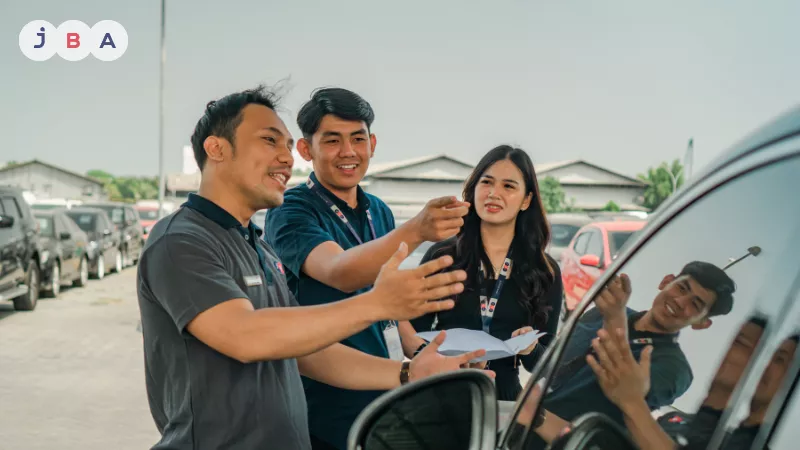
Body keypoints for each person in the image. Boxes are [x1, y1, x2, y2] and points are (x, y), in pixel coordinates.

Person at [137, 85, 489, 450]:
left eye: (287, 146)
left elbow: (306, 353)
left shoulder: (255, 244)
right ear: (217, 148)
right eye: (270, 141)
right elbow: (245, 335)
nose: (286, 158)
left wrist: (409, 372)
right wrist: (377, 303)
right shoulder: (181, 239)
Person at [263, 87, 473, 450]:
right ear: (304, 149)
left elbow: (386, 295)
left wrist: (426, 352)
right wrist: (417, 230)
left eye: (357, 139)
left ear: (372, 144)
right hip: (325, 402)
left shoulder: (379, 210)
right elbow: (339, 271)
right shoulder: (291, 209)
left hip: (385, 392)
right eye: (332, 141)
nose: (348, 152)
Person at [408, 145, 563, 401]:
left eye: (508, 186)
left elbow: (547, 365)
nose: (494, 193)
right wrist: (439, 358)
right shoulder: (442, 257)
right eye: (487, 182)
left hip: (505, 401)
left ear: (526, 200)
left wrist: (531, 349)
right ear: (474, 190)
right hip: (440, 394)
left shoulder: (544, 270)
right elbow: (413, 334)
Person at [527, 262, 737, 448]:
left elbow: (624, 388)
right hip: (517, 427)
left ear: (702, 323)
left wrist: (614, 318)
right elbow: (551, 365)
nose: (681, 301)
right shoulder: (602, 313)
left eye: (696, 304)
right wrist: (529, 350)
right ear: (666, 281)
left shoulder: (675, 369)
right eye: (681, 288)